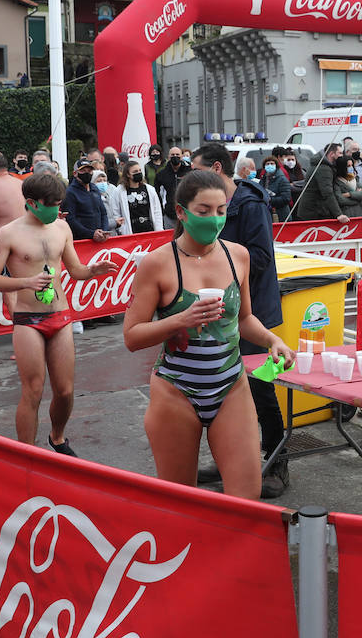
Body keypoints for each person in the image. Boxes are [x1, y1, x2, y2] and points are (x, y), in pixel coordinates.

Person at [122, 170, 293, 497]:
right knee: (181, 501)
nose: (214, 220)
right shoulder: (158, 263)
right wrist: (180, 320)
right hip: (176, 390)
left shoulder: (237, 255)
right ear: (182, 212)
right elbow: (132, 337)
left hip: (231, 385)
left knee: (247, 498)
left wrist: (273, 340)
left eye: (221, 211)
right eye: (203, 211)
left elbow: (244, 320)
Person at [0, 172, 117, 454]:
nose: (57, 209)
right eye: (52, 204)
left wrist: (91, 271)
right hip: (27, 320)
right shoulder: (7, 234)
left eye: (59, 203)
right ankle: (27, 454)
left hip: (60, 316)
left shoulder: (62, 229)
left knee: (65, 391)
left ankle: (57, 438)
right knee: (32, 390)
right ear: (32, 203)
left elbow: (76, 269)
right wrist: (25, 282)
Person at [190, 143, 290, 496]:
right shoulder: (202, 209)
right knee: (225, 387)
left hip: (253, 311)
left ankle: (278, 463)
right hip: (220, 310)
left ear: (216, 169)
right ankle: (229, 457)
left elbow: (260, 256)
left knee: (261, 387)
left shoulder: (250, 203)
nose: (190, 175)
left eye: (195, 169)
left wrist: (219, 271)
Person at [109, 159, 165, 235]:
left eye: (139, 170)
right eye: (135, 172)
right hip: (130, 232)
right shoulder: (119, 191)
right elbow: (116, 213)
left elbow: (157, 211)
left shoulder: (150, 189)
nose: (138, 173)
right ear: (128, 174)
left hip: (149, 230)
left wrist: (159, 230)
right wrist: (121, 229)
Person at [62, 158, 111, 245]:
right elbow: (71, 219)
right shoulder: (70, 192)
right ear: (75, 173)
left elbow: (103, 213)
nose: (87, 173)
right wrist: (91, 234)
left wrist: (104, 231)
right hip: (81, 242)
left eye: (89, 170)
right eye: (83, 171)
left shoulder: (94, 188)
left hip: (99, 239)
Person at [297, 143, 348, 223]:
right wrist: (339, 214)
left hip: (314, 210)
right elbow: (327, 193)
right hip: (313, 212)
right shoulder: (324, 169)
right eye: (340, 153)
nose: (342, 156)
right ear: (331, 154)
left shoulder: (323, 165)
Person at [155, 146, 188, 224]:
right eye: (172, 155)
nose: (175, 157)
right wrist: (162, 211)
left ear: (182, 156)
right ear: (168, 157)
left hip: (187, 213)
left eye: (177, 154)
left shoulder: (189, 171)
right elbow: (157, 193)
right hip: (169, 215)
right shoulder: (161, 174)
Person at [258, 154, 292, 221]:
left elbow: (286, 198)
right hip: (267, 213)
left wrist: (270, 200)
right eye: (267, 164)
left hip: (280, 214)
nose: (270, 165)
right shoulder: (263, 179)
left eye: (272, 164)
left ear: (276, 166)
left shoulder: (282, 179)